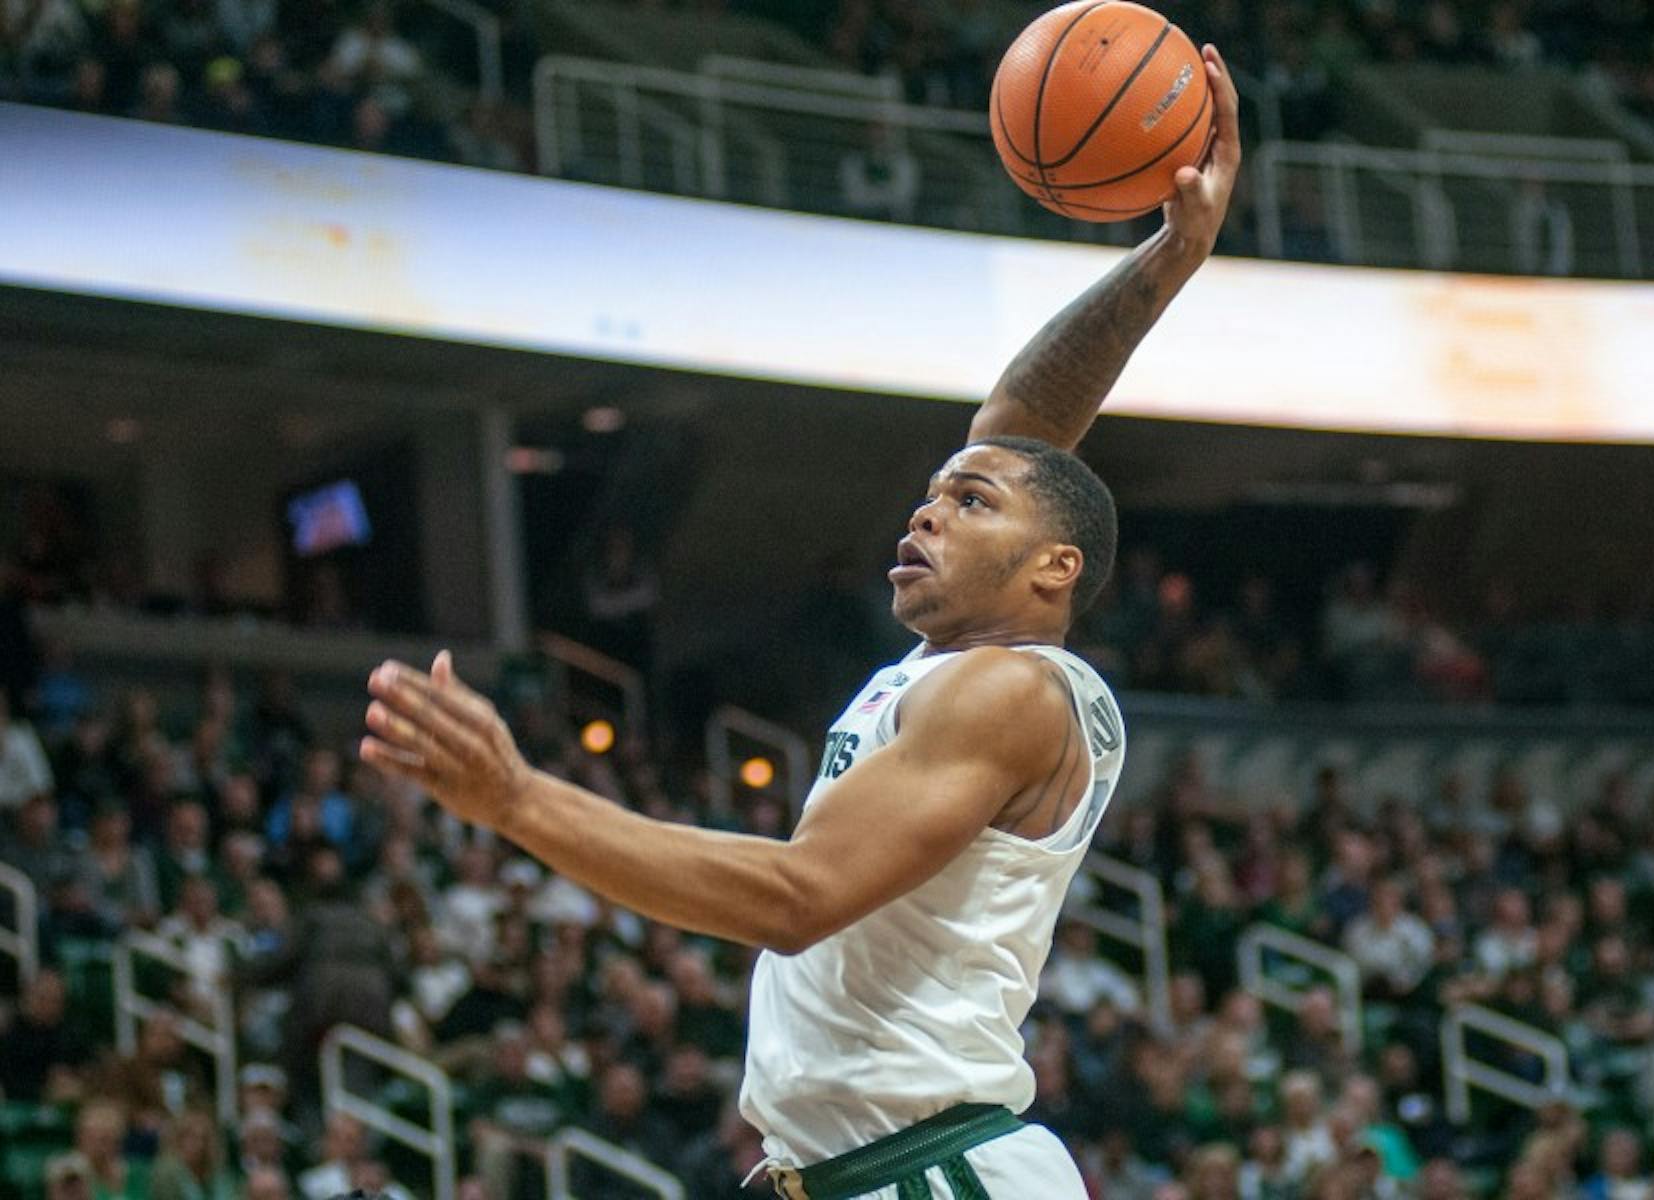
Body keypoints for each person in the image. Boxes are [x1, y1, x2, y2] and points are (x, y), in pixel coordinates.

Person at [358, 43, 1241, 1200]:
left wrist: (519, 800)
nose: (926, 513)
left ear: (1053, 570)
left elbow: (794, 899)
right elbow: (1020, 424)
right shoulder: (965, 668)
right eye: (928, 495)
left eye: (968, 504)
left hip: (931, 1173)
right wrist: (1167, 259)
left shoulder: (1009, 691)